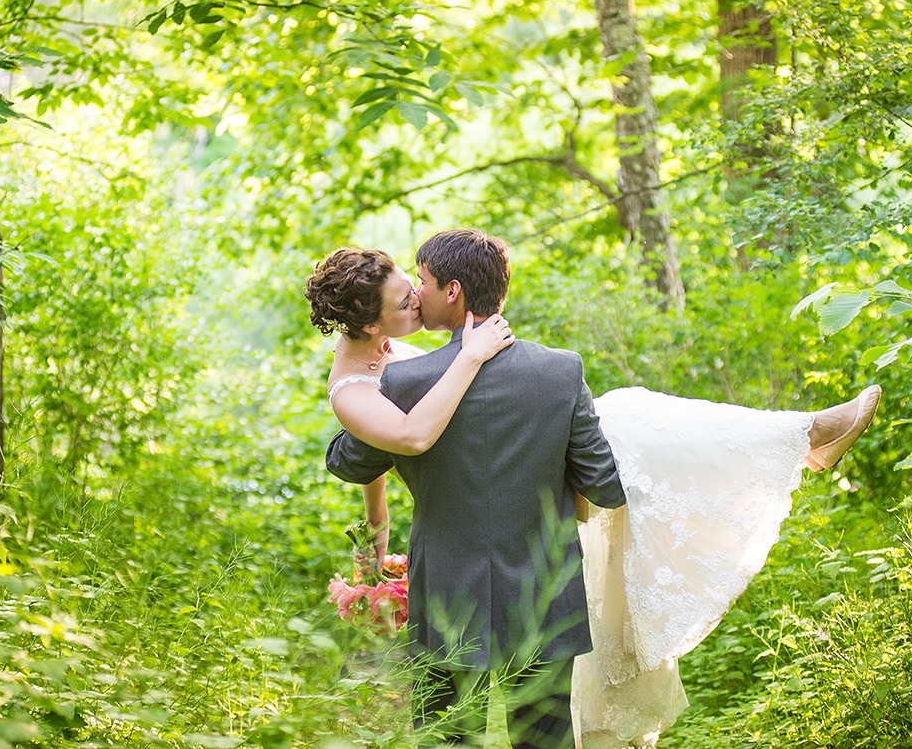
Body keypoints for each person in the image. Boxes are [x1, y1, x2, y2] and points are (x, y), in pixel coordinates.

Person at [306, 231, 881, 748]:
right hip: (543, 591)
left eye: (421, 285)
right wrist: (554, 472)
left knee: (448, 741)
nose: (417, 296)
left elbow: (353, 459)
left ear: (452, 292)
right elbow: (606, 487)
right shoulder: (559, 372)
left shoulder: (400, 381)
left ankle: (798, 433)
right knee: (633, 419)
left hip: (447, 597)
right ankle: (792, 434)